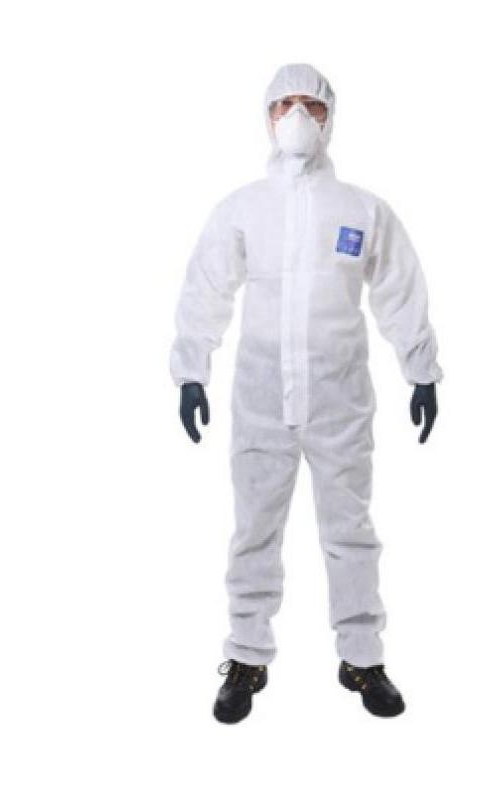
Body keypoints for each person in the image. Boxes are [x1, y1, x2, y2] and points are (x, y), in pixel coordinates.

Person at [170, 63, 442, 723]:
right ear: (267, 116)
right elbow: (206, 288)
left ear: (330, 118)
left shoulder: (362, 210)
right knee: (254, 532)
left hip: (340, 399)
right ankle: (247, 656)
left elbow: (399, 288)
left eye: (311, 105)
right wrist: (192, 370)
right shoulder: (242, 209)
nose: (297, 117)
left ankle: (362, 656)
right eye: (284, 104)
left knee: (350, 531)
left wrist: (421, 368)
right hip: (262, 399)